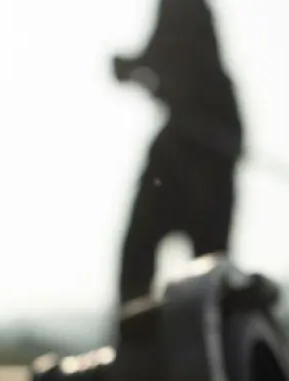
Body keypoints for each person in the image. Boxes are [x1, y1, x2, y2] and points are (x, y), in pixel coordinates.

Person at [112, 0, 245, 307]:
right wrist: (137, 69)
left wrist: (135, 68)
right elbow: (163, 61)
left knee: (208, 264)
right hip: (185, 145)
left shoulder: (185, 8)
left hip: (206, 154)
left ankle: (199, 338)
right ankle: (137, 333)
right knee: (141, 252)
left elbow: (175, 59)